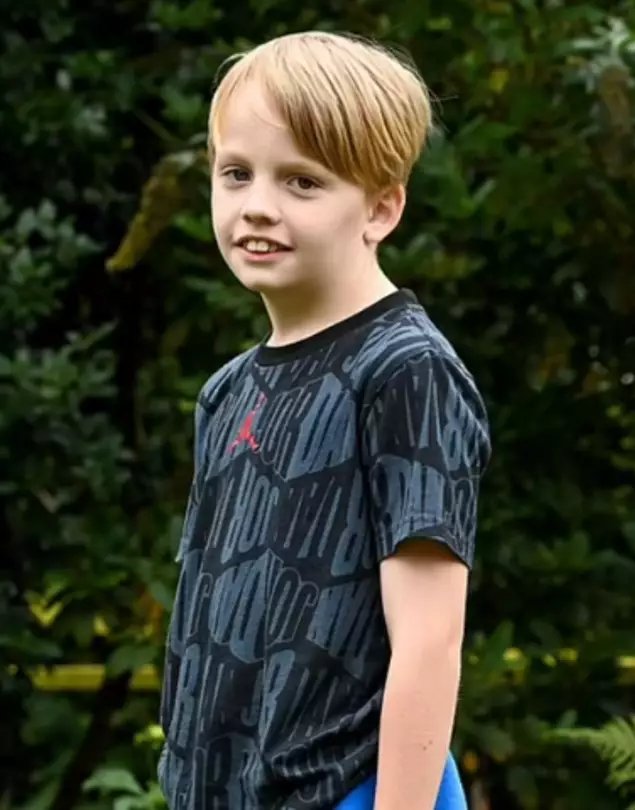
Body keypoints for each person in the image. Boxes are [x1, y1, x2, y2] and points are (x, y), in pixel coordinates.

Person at [156, 32, 489, 809]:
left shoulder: (406, 371)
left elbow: (430, 640)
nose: (257, 206)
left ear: (380, 208)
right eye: (236, 174)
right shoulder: (227, 392)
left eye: (302, 182)